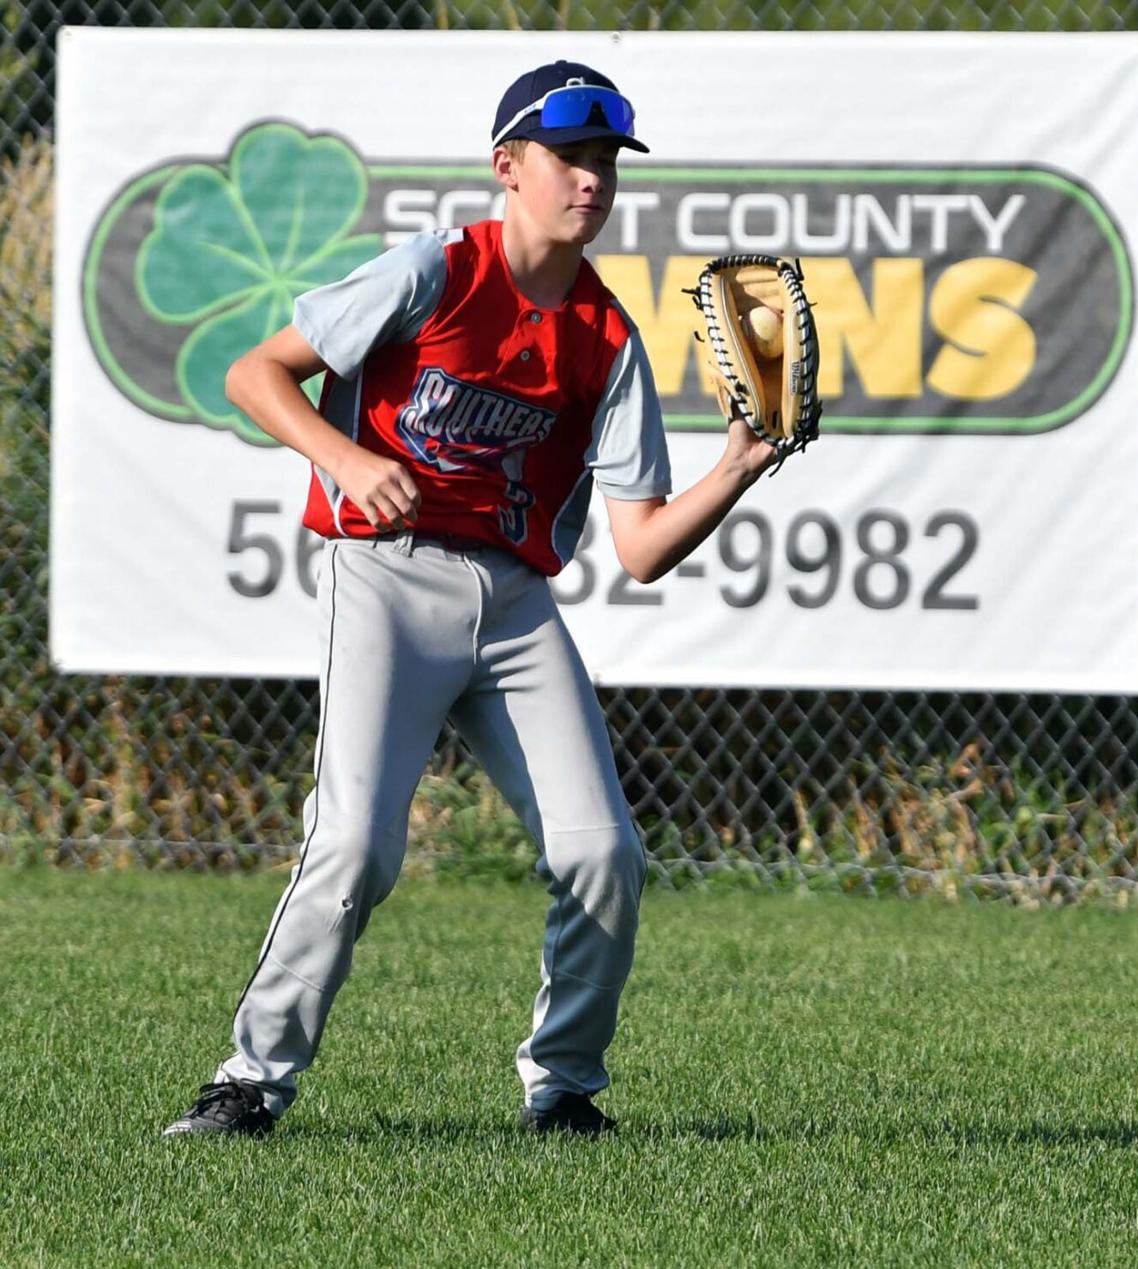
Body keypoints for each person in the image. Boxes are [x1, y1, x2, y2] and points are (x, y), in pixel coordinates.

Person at [163, 58, 780, 1139]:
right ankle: (250, 1081)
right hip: (386, 578)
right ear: (509, 166)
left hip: (513, 605)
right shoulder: (435, 271)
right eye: (570, 156)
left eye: (605, 162)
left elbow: (638, 549)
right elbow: (257, 374)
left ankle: (565, 1087)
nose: (592, 180)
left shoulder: (606, 340)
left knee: (603, 853)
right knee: (354, 845)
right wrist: (344, 461)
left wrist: (733, 470)